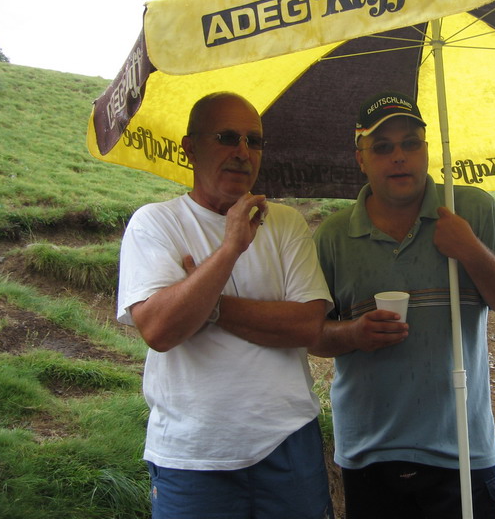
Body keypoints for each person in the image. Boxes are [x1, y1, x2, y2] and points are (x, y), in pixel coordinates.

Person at [310, 91, 495, 518]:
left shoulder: (471, 209)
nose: (399, 156)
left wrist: (470, 249)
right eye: (382, 147)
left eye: (410, 143)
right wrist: (353, 333)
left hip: (463, 451)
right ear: (361, 159)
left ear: (426, 149)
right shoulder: (333, 236)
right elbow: (313, 336)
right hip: (368, 452)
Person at [117, 92, 334, 519]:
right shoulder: (155, 223)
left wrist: (206, 304)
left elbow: (308, 326)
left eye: (255, 141)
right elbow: (160, 329)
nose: (243, 152)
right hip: (192, 454)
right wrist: (231, 246)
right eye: (228, 137)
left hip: (288, 441)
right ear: (190, 147)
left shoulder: (286, 223)